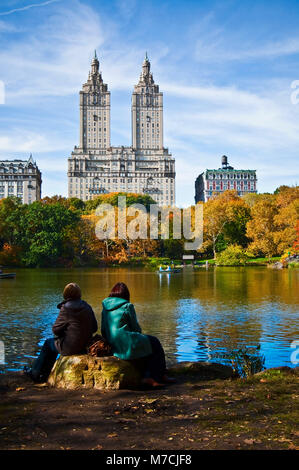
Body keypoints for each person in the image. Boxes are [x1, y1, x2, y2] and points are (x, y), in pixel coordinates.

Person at [101, 282, 175, 388]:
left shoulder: (105, 307)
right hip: (126, 342)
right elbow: (136, 328)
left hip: (112, 343)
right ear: (126, 295)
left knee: (147, 344)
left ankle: (156, 375)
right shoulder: (127, 306)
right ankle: (155, 376)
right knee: (154, 342)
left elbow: (104, 328)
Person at [24, 283, 98, 383]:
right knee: (54, 345)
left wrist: (65, 331)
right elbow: (94, 328)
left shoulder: (66, 308)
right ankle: (45, 374)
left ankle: (35, 373)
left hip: (70, 347)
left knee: (48, 344)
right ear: (79, 294)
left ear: (66, 294)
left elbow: (55, 329)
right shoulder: (87, 306)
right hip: (86, 346)